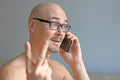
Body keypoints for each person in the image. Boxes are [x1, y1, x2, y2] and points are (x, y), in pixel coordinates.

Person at [0, 2, 90, 80]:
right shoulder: (11, 72)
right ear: (32, 26)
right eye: (54, 24)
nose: (61, 33)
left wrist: (77, 63)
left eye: (64, 26)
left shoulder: (59, 69)